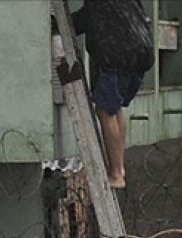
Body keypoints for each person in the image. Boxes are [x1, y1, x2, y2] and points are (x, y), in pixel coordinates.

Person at [71, 0, 154, 189]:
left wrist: (55, 24)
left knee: (105, 112)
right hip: (141, 52)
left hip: (116, 54)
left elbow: (85, 19)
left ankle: (116, 174)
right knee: (115, 110)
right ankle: (120, 167)